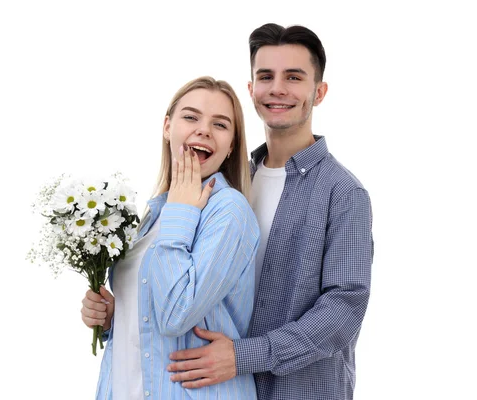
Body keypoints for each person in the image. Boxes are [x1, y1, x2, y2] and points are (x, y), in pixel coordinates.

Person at [166, 23, 374, 399]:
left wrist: (243, 356)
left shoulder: (344, 193)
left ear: (319, 91)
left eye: (293, 77)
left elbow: (343, 310)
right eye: (266, 76)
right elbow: (187, 279)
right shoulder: (227, 183)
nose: (277, 88)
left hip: (301, 390)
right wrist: (120, 305)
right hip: (223, 389)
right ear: (251, 90)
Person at [80, 76, 260, 399]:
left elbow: (176, 314)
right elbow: (149, 315)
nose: (203, 130)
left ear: (232, 144)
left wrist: (181, 213)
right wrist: (111, 319)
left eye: (220, 125)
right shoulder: (155, 211)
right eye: (191, 117)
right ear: (167, 127)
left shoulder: (229, 211)